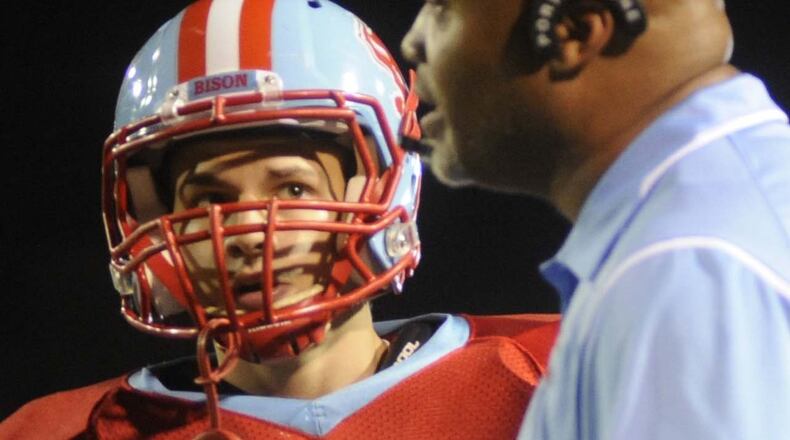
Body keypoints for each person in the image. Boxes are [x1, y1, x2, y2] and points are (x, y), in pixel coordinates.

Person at [1, 1, 559, 439]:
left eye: (293, 186)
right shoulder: (58, 431)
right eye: (209, 201)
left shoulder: (555, 367)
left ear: (388, 183)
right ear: (153, 215)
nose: (249, 232)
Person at [401, 0, 790, 439]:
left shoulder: (682, 262)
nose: (412, 41)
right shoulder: (724, 201)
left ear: (574, 32)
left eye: (443, 9)